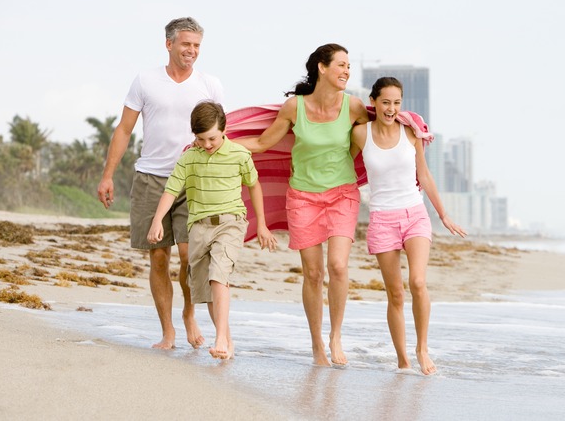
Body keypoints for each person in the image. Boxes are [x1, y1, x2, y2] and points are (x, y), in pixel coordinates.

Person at [235, 43, 369, 366]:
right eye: (341, 65)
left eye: (349, 66)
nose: (346, 71)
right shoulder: (294, 108)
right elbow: (264, 142)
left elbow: (372, 142)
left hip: (342, 195)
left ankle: (336, 337)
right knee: (313, 272)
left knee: (337, 266)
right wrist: (220, 141)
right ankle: (317, 346)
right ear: (322, 68)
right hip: (303, 197)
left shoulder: (354, 108)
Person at [96, 17, 224, 349]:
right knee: (158, 257)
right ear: (169, 44)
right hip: (151, 178)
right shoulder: (145, 81)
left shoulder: (210, 85)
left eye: (196, 46)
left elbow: (220, 136)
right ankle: (168, 331)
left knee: (189, 254)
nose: (191, 51)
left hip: (192, 181)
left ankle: (189, 313)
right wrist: (108, 175)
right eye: (186, 44)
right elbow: (124, 129)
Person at [350, 77, 467, 375]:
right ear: (374, 102)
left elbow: (424, 175)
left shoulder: (411, 132)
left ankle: (422, 348)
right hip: (381, 219)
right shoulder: (360, 134)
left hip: (414, 213)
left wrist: (444, 215)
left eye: (397, 103)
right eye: (386, 102)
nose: (391, 108)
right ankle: (402, 359)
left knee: (417, 282)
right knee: (396, 294)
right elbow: (342, 167)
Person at [146, 101, 276, 359]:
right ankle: (226, 339)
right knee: (206, 291)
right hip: (198, 228)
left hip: (230, 223)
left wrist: (261, 223)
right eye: (201, 139)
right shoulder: (189, 158)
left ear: (224, 130)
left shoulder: (239, 154)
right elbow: (171, 190)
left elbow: (254, 185)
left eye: (212, 138)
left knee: (219, 276)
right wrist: (157, 220)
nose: (207, 144)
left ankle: (220, 341)